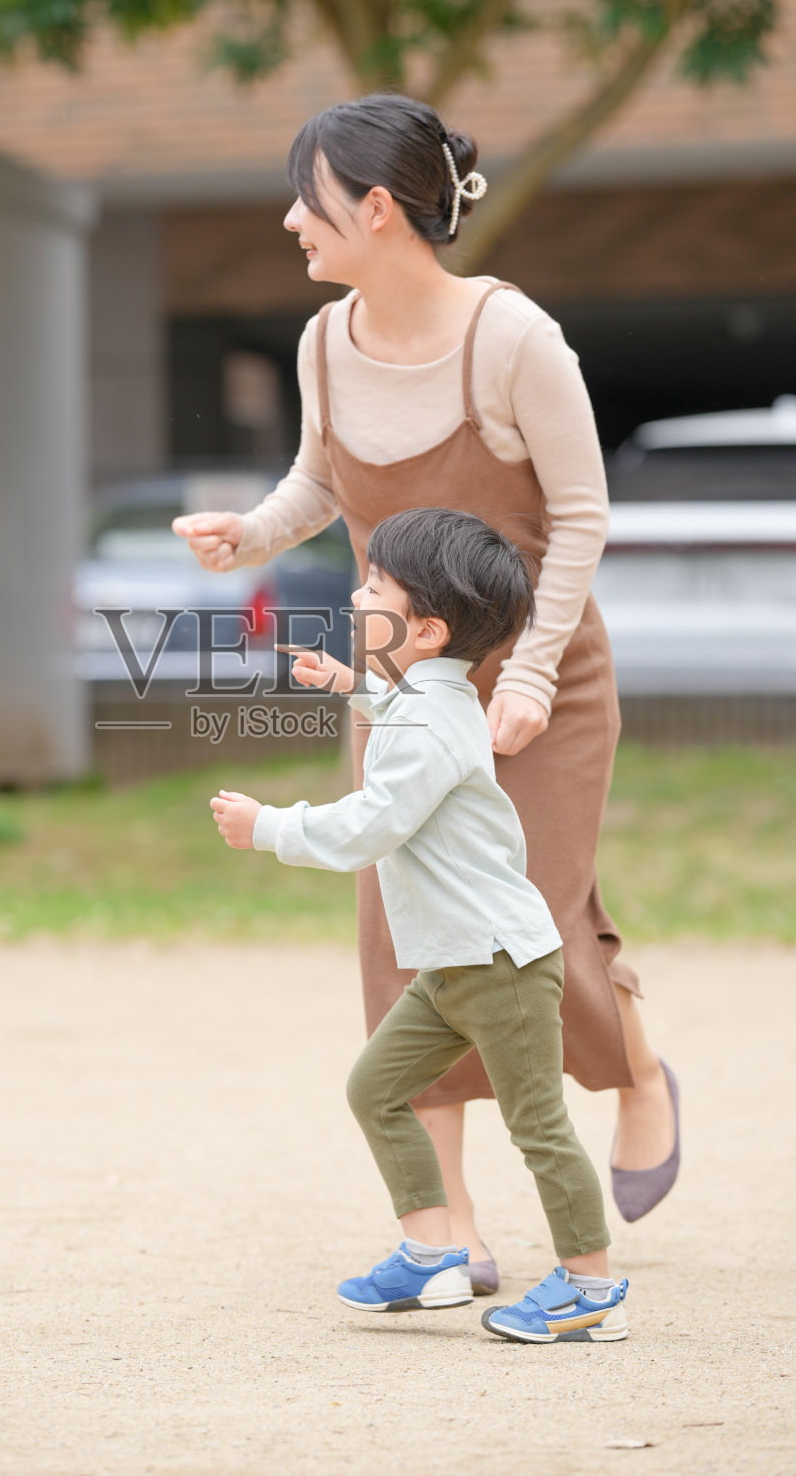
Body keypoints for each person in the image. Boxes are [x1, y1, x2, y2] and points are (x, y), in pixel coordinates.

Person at [173, 94, 679, 1289]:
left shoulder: (512, 340)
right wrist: (248, 532)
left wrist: (535, 677)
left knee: (528, 931)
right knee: (403, 936)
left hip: (537, 676)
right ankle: (445, 1228)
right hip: (399, 688)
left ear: (379, 209)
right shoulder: (321, 342)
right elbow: (319, 478)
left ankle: (639, 1072)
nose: (292, 219)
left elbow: (579, 519)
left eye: (311, 197)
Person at [211, 508, 630, 1343]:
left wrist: (268, 826)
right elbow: (406, 707)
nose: (355, 592)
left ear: (426, 629)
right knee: (375, 1088)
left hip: (499, 965)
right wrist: (350, 683)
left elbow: (371, 824)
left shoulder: (429, 722)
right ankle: (432, 1252)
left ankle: (591, 1288)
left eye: (373, 586)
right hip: (455, 964)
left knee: (536, 1125)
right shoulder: (438, 694)